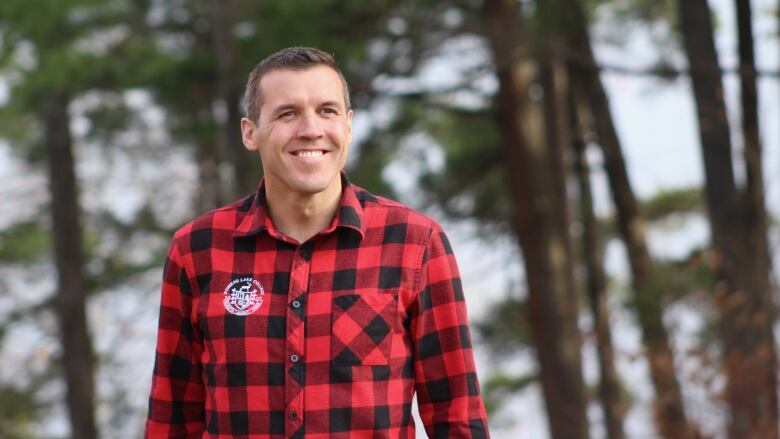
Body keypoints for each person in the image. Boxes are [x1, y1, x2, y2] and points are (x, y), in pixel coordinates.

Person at [145, 46, 489, 438]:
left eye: (327, 111)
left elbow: (457, 417)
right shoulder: (197, 250)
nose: (311, 129)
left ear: (349, 125)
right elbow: (171, 420)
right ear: (250, 132)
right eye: (288, 113)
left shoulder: (415, 244)